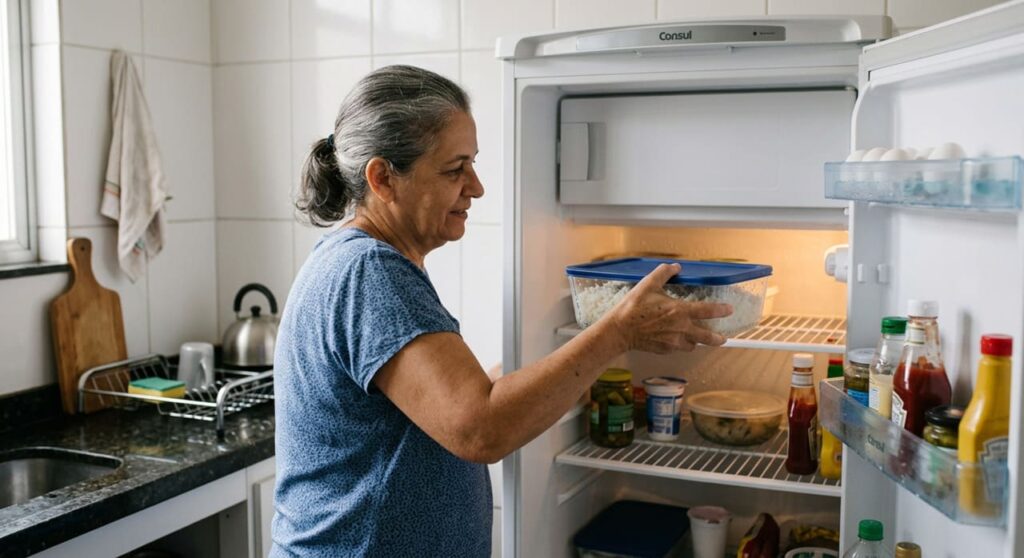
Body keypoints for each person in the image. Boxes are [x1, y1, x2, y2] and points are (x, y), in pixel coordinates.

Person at [270, 65, 733, 557]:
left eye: (472, 164)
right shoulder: (369, 271)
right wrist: (618, 333)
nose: (476, 186)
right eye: (455, 169)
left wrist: (540, 364)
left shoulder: (362, 260)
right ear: (383, 178)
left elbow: (443, 405)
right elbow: (480, 429)